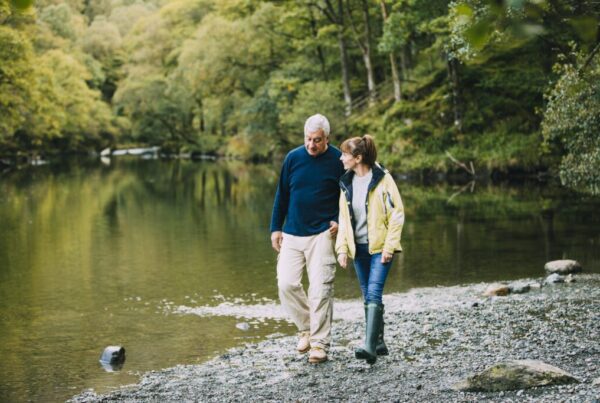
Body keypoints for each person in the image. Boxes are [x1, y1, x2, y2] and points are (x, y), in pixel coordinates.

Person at [270, 114, 345, 364]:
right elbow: (282, 194)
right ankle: (306, 328)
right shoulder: (293, 158)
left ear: (327, 139)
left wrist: (339, 220)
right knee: (286, 284)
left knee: (321, 288)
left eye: (317, 140)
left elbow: (348, 195)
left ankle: (320, 344)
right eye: (308, 139)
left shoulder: (338, 159)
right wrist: (275, 228)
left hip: (323, 233)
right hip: (292, 232)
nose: (311, 145)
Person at [335, 134, 405, 364]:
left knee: (374, 291)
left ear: (358, 157)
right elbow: (343, 220)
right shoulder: (346, 183)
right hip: (359, 249)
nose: (341, 158)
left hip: (380, 248)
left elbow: (397, 214)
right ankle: (379, 342)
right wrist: (342, 249)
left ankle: (369, 347)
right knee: (367, 294)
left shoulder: (383, 179)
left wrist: (390, 246)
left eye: (345, 154)